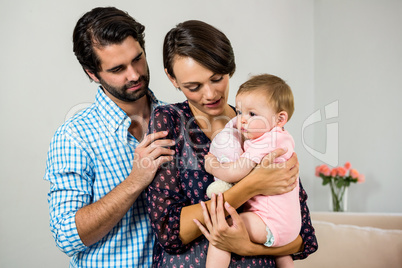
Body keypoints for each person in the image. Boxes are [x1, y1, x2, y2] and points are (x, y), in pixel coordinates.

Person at [146, 20, 317, 267]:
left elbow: (304, 239)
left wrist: (246, 246)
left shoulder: (260, 123)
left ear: (230, 68)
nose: (210, 94)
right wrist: (251, 186)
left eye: (217, 79)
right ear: (172, 79)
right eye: (193, 87)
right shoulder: (170, 121)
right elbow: (170, 233)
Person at [43, 7, 175, 267]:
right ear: (92, 73)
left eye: (137, 59)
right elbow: (67, 236)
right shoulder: (74, 137)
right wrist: (135, 181)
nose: (134, 74)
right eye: (118, 69)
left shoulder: (177, 120)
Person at [203, 74, 300, 268]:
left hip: (270, 222)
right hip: (290, 227)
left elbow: (235, 173)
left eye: (252, 114)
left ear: (280, 118)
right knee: (283, 256)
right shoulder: (282, 137)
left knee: (224, 230)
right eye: (239, 112)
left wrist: (212, 166)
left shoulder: (266, 142)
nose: (242, 120)